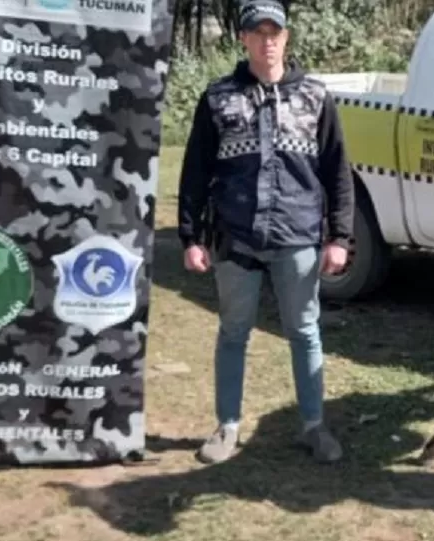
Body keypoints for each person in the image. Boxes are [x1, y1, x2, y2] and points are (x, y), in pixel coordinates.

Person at [176, 0, 354, 465]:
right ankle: (226, 426)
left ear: (287, 38)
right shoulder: (218, 97)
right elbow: (195, 171)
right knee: (234, 331)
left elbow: (338, 171)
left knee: (304, 331)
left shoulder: (315, 95)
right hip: (235, 239)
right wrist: (191, 237)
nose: (267, 40)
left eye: (275, 32)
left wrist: (340, 238)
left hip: (298, 236)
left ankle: (313, 426)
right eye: (258, 32)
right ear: (243, 39)